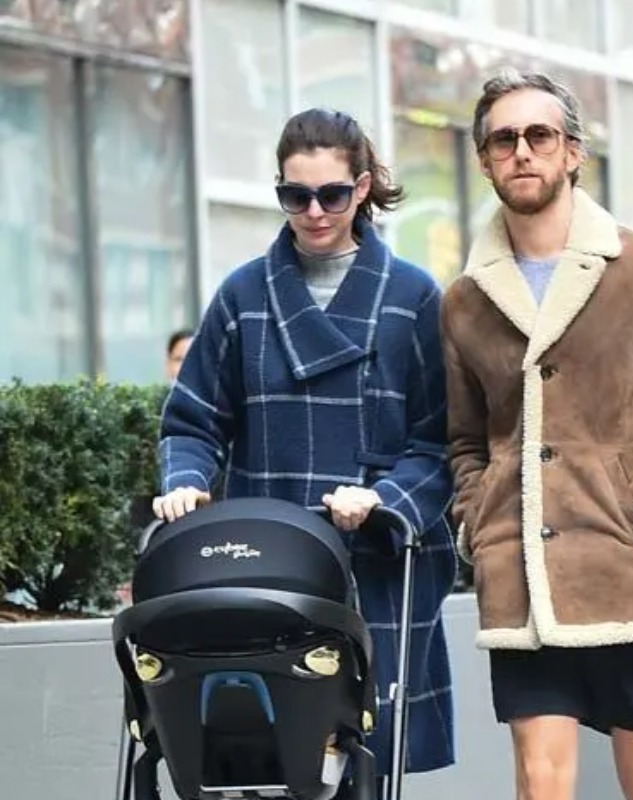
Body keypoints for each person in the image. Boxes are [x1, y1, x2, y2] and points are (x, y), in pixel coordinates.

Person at [440, 70, 633, 800]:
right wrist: (480, 525)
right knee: (539, 785)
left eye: (539, 135)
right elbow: (465, 439)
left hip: (631, 573)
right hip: (525, 586)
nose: (522, 152)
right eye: (503, 139)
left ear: (573, 152)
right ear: (484, 160)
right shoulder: (465, 301)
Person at [152, 108, 456, 791]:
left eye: (333, 195)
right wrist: (187, 481)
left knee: (360, 762)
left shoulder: (413, 297)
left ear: (365, 186)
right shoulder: (242, 295)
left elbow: (439, 443)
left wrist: (383, 499)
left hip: (371, 557)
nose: (314, 212)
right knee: (256, 759)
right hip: (268, 564)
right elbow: (194, 420)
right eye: (296, 196)